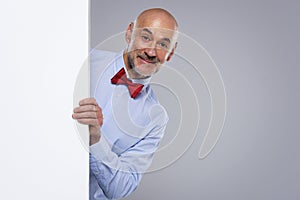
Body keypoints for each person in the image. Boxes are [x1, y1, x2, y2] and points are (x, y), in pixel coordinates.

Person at [72, 8, 178, 200]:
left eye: (163, 44)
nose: (151, 51)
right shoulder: (81, 60)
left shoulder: (156, 119)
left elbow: (120, 190)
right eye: (146, 37)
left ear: (170, 53)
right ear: (129, 33)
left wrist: (95, 139)